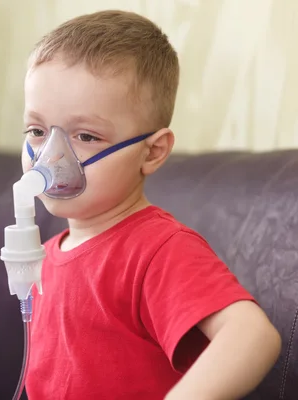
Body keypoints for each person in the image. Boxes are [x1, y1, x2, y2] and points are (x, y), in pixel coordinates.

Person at [21, 9, 281, 400]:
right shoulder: (42, 257)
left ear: (153, 152)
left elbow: (251, 335)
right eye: (38, 131)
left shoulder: (155, 250)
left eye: (87, 136)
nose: (50, 158)